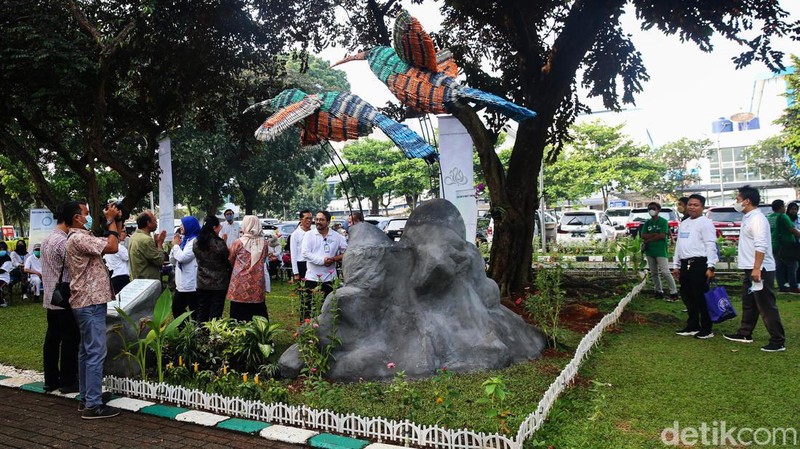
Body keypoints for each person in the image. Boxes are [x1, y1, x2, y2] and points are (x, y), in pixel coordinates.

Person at [65, 200, 123, 419]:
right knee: (96, 352)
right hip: (90, 302)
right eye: (86, 213)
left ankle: (87, 396)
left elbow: (111, 241)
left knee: (86, 351)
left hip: (87, 302)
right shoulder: (79, 238)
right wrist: (110, 220)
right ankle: (93, 405)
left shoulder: (81, 236)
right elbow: (113, 246)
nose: (89, 216)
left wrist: (115, 221)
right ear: (76, 218)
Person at [724, 186, 786, 352]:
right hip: (750, 268)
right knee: (749, 302)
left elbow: (761, 245)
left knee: (766, 305)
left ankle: (778, 340)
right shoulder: (748, 217)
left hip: (760, 268)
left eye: (738, 199)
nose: (736, 202)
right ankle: (745, 333)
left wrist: (757, 268)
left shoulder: (757, 218)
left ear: (747, 201)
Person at [40, 202, 80, 393]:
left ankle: (50, 379)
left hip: (51, 297)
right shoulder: (63, 242)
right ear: (72, 218)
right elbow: (76, 265)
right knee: (70, 340)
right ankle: (68, 381)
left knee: (52, 340)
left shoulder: (47, 239)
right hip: (65, 298)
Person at [671, 194, 718, 339]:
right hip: (685, 264)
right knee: (687, 295)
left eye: (695, 205)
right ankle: (693, 325)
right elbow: (679, 245)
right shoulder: (684, 223)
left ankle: (707, 328)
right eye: (690, 204)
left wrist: (711, 266)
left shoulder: (705, 223)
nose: (692, 207)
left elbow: (710, 245)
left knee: (701, 296)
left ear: (702, 207)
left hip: (700, 263)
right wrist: (676, 265)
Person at [301, 211, 347, 318]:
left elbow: (346, 252)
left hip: (330, 279)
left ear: (328, 222)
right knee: (309, 311)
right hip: (312, 278)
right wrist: (322, 261)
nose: (318, 222)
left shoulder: (336, 236)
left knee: (329, 311)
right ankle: (308, 328)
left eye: (321, 220)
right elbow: (305, 253)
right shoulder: (309, 235)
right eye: (316, 219)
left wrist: (334, 259)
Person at [227, 215, 269, 322]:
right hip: (256, 282)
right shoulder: (264, 244)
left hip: (239, 283)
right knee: (258, 311)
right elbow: (264, 259)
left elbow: (231, 259)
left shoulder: (238, 243)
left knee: (238, 312)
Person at [193, 215, 231, 323]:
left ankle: (201, 331)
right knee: (216, 312)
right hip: (219, 283)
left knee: (202, 310)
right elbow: (226, 261)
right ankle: (213, 332)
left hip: (202, 281)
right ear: (214, 228)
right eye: (219, 227)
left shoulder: (196, 242)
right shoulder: (219, 244)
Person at [641, 202, 679, 301]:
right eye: (649, 208)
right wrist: (655, 235)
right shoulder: (647, 223)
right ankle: (658, 291)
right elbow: (643, 235)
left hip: (661, 250)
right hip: (650, 251)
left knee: (665, 272)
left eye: (653, 208)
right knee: (654, 273)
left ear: (658, 210)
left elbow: (662, 235)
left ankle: (673, 291)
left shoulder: (663, 221)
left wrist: (649, 239)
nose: (651, 210)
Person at [765, 199, 800, 293]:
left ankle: (782, 286)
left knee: (779, 266)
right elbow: (792, 229)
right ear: (781, 207)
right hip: (786, 245)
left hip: (774, 244)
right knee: (793, 265)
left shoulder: (769, 217)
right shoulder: (783, 216)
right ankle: (793, 286)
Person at [169, 216, 200, 321]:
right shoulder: (185, 240)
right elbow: (173, 260)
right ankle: (185, 328)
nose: (180, 226)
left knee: (194, 310)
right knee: (177, 308)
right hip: (182, 283)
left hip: (191, 283)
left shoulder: (195, 241)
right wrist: (175, 246)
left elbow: (182, 258)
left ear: (189, 226)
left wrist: (176, 246)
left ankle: (195, 329)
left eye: (183, 224)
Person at [128, 211, 166, 281]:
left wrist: (155, 243)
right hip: (147, 282)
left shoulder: (134, 236)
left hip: (136, 280)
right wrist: (160, 243)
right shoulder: (146, 240)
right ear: (148, 223)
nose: (156, 223)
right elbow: (159, 261)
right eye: (154, 220)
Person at [103, 221, 130, 294]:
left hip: (113, 277)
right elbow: (128, 257)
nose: (125, 234)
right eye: (123, 231)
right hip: (121, 276)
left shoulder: (107, 245)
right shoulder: (119, 247)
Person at [290, 210, 313, 283]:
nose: (309, 220)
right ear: (301, 219)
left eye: (310, 218)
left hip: (313, 263)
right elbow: (293, 254)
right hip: (301, 264)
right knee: (303, 287)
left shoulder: (314, 233)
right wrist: (296, 272)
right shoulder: (295, 234)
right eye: (307, 218)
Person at [0, 241, 11, 307]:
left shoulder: (7, 258)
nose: (2, 250)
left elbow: (2, 270)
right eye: (0, 249)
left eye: (3, 249)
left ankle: (2, 301)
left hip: (3, 278)